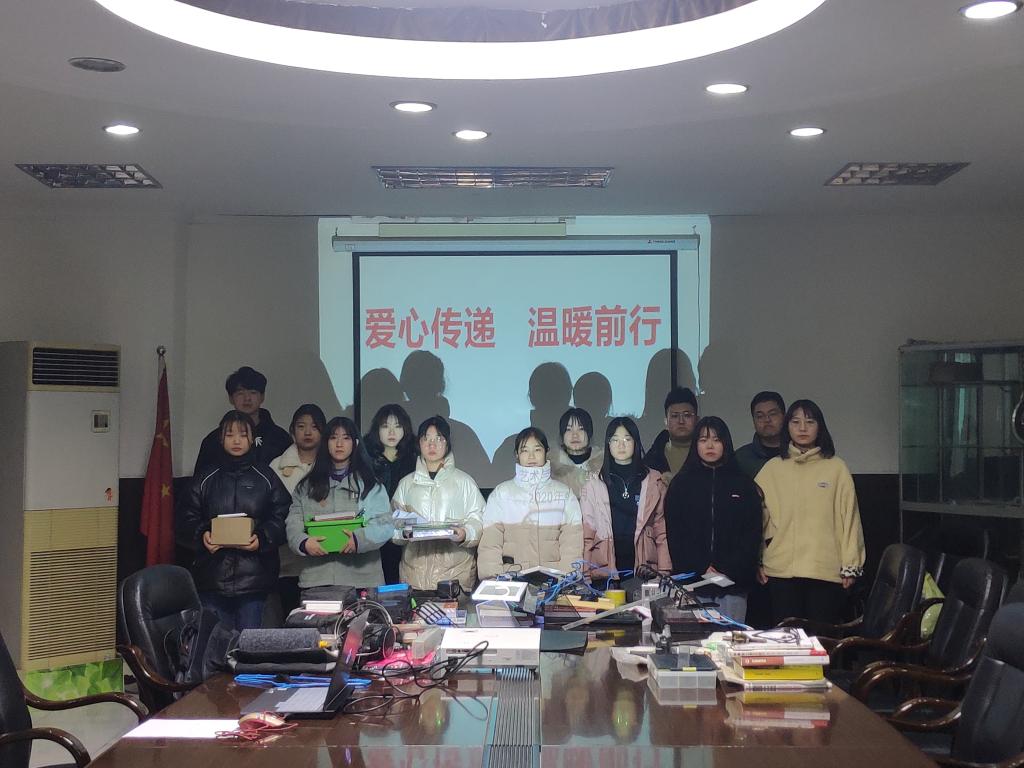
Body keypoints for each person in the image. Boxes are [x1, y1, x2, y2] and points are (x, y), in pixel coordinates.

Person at [755, 399, 866, 625]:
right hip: (781, 569)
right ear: (787, 426)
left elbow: (850, 518)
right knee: (786, 638)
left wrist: (851, 565)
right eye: (795, 422)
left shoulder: (836, 468)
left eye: (810, 421)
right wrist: (758, 558)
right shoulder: (772, 469)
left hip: (824, 569)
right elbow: (756, 518)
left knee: (821, 638)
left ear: (820, 427)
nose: (802, 428)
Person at [178, 410, 290, 630]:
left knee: (248, 645)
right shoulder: (205, 478)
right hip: (212, 578)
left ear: (252, 439)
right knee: (216, 644)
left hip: (255, 579)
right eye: (230, 435)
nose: (236, 441)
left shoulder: (266, 477)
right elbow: (184, 518)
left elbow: (284, 515)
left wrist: (262, 538)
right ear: (221, 439)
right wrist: (202, 535)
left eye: (243, 435)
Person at [663, 417, 763, 622]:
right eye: (703, 440)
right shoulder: (681, 485)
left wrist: (726, 569)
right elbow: (676, 535)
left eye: (716, 440)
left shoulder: (743, 484)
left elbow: (752, 534)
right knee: (694, 640)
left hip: (733, 583)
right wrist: (701, 567)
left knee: (730, 639)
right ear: (695, 444)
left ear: (726, 443)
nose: (710, 446)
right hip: (693, 583)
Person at [287, 417, 393, 598]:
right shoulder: (306, 487)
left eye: (346, 438)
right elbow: (293, 523)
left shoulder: (370, 485)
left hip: (363, 581)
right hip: (317, 580)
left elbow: (385, 525)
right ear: (325, 442)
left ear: (355, 443)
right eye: (333, 437)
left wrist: (359, 540)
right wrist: (304, 543)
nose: (339, 444)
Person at [391, 416, 485, 591]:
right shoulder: (406, 484)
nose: (432, 445)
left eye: (438, 439)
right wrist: (404, 532)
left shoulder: (465, 482)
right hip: (413, 578)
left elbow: (478, 520)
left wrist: (465, 533)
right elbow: (393, 524)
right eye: (426, 439)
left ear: (447, 443)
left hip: (455, 579)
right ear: (419, 443)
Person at [477, 427, 583, 579]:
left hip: (553, 583)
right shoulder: (501, 494)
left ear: (546, 452)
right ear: (517, 454)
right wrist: (495, 580)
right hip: (512, 581)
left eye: (537, 450)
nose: (531, 456)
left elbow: (572, 545)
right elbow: (490, 544)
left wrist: (566, 580)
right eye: (525, 450)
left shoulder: (565, 494)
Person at [580, 417, 671, 579]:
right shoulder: (594, 485)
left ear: (636, 442)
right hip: (604, 573)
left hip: (644, 571)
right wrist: (585, 575)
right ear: (608, 444)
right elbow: (588, 536)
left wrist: (664, 572)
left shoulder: (654, 482)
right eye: (615, 440)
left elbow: (661, 531)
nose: (621, 445)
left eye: (627, 439)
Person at [267, 404, 326, 620]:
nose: (307, 432)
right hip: (288, 561)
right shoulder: (276, 466)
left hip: (324, 560)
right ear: (292, 431)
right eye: (301, 426)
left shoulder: (332, 465)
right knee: (291, 619)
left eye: (314, 427)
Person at [193, 366, 291, 475]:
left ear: (262, 397)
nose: (247, 398)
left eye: (253, 392)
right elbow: (201, 479)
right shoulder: (214, 440)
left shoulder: (280, 438)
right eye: (240, 393)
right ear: (231, 398)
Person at [362, 404, 418, 584]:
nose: (392, 432)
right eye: (385, 426)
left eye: (398, 426)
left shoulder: (415, 459)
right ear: (377, 430)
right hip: (374, 530)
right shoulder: (365, 460)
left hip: (407, 533)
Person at [644, 387, 698, 484]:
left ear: (697, 420)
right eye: (675, 416)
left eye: (687, 415)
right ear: (666, 422)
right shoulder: (651, 461)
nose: (681, 421)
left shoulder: (710, 454)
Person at [550, 407, 604, 500]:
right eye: (568, 429)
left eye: (581, 429)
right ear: (562, 435)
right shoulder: (551, 466)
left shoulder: (603, 463)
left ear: (589, 433)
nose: (575, 435)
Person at [735, 391, 786, 479]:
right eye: (760, 416)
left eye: (772, 414)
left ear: (784, 416)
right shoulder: (740, 459)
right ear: (753, 420)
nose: (767, 420)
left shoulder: (799, 453)